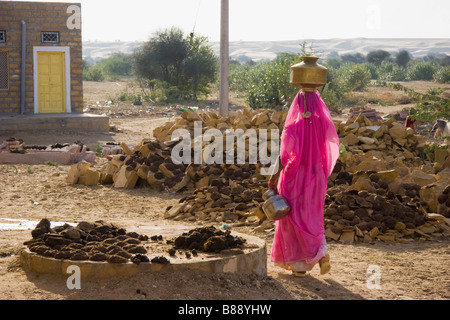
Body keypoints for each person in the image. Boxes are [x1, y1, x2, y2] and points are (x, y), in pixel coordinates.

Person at [268, 89, 339, 277]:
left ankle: (299, 266)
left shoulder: (293, 127)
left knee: (292, 218)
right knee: (312, 217)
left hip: (294, 178)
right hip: (316, 176)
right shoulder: (323, 124)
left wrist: (273, 177)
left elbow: (284, 157)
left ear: (297, 105)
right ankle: (320, 252)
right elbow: (330, 146)